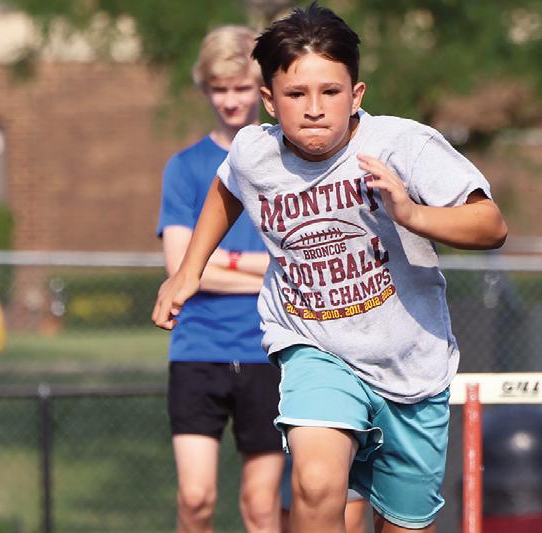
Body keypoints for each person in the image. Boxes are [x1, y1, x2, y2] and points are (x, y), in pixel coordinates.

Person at [153, 3, 508, 532]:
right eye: (296, 94)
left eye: (330, 92)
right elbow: (228, 187)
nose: (314, 109)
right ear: (269, 101)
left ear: (356, 95)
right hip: (313, 344)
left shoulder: (403, 145)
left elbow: (490, 225)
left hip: (409, 363)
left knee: (404, 522)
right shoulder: (255, 151)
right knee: (316, 484)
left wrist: (412, 214)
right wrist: (189, 270)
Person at [156, 25, 284, 533]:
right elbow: (181, 271)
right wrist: (261, 268)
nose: (231, 100)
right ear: (205, 89)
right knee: (196, 499)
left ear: (263, 89)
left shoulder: (286, 161)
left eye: (242, 87)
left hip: (269, 348)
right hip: (198, 349)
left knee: (261, 505)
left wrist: (214, 262)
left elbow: (299, 262)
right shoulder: (185, 168)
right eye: (219, 88)